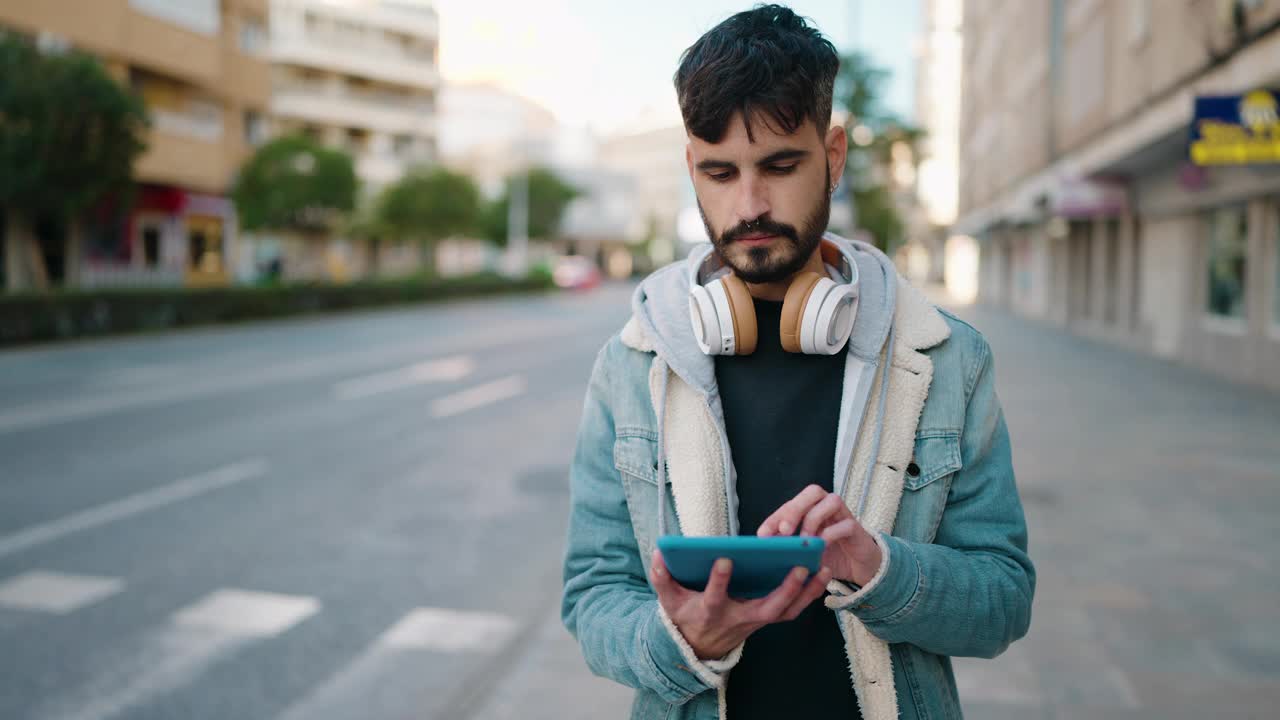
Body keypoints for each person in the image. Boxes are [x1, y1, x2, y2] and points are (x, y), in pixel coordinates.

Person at [560, 6, 1034, 719]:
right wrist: (678, 641)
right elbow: (593, 593)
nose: (749, 205)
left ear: (834, 156)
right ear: (692, 166)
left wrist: (879, 568)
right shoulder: (632, 365)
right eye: (719, 172)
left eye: (780, 165)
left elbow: (1003, 599)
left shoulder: (947, 358)